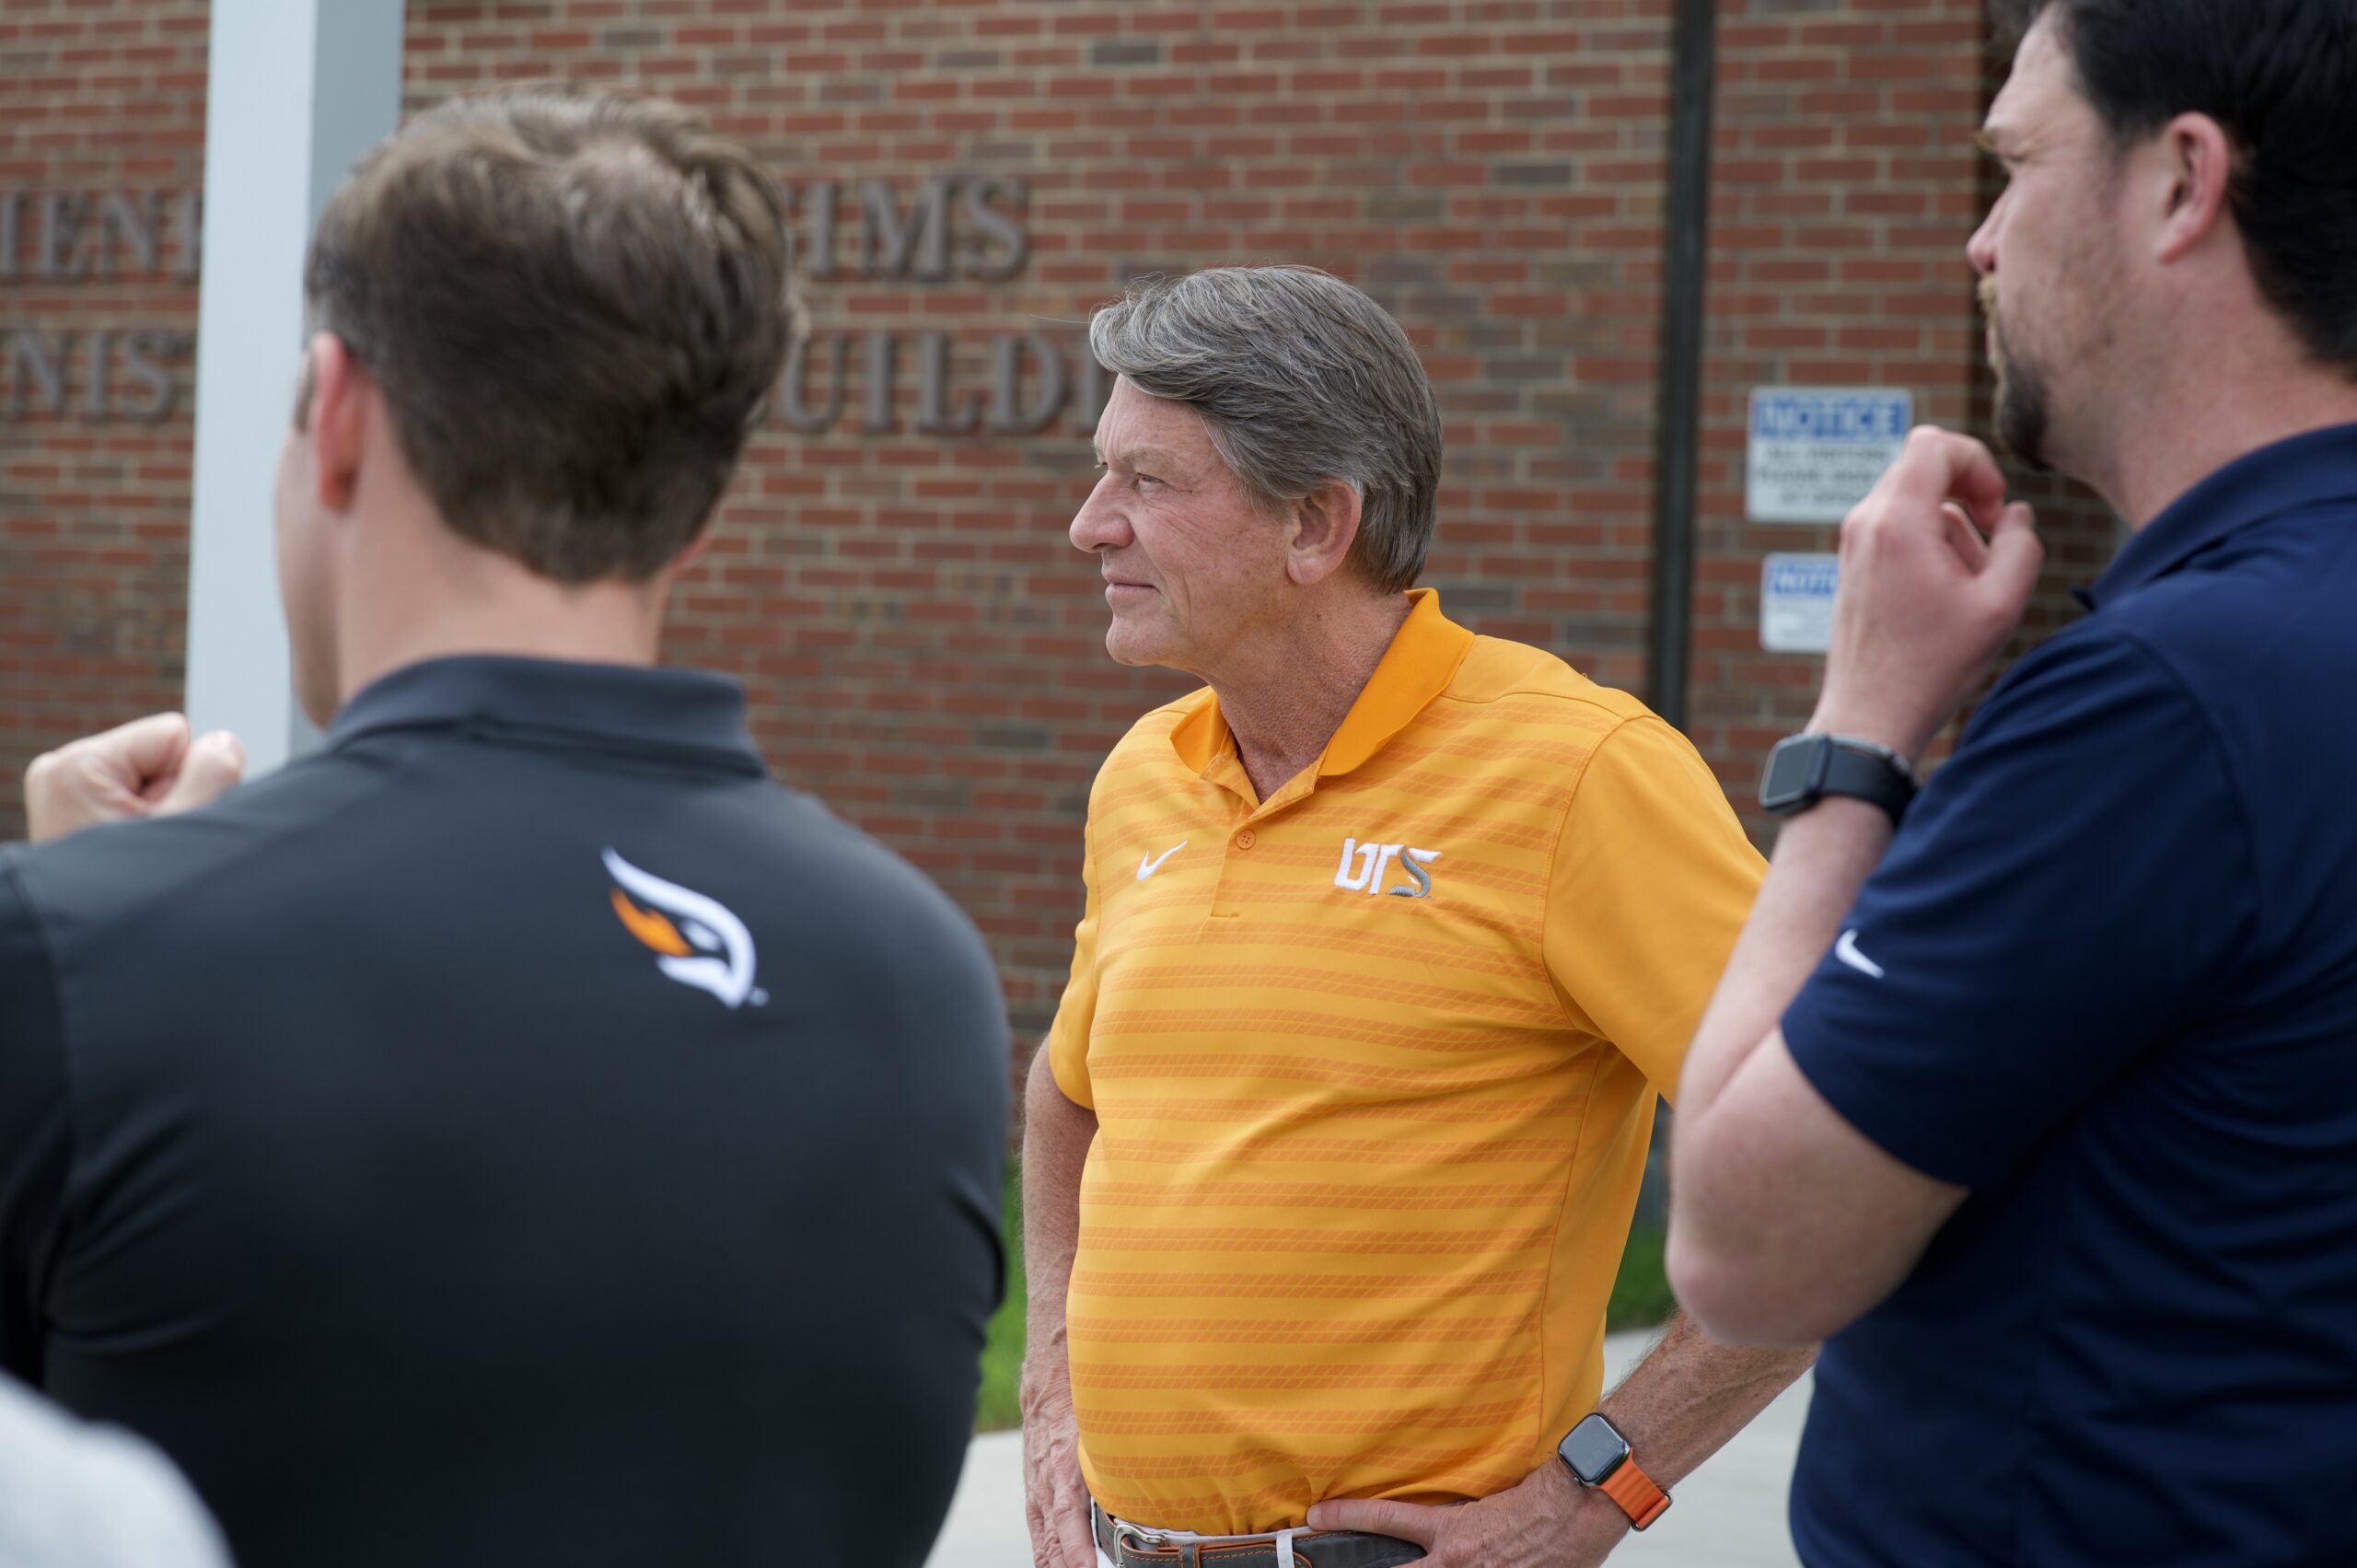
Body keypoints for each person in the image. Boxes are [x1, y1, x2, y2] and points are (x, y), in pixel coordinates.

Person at [0, 88, 1009, 1568]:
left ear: (335, 420)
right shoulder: (926, 981)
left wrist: (81, 946)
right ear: (698, 511)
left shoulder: (73, 959)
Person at [1666, 3, 2357, 1564]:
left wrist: (1863, 724)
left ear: (2183, 183)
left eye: (2016, 164)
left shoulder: (2167, 704)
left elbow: (1742, 1243)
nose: (1979, 243)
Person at [1021, 265, 1812, 1568]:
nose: (1088, 524)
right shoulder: (1144, 775)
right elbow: (1070, 1099)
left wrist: (1591, 1493)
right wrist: (1049, 1394)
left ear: (1316, 525)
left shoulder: (1581, 775)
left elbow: (1841, 1173)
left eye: (1148, 482)